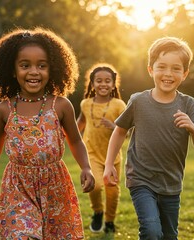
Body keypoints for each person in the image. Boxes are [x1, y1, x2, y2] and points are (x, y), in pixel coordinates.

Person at [0, 27, 95, 239]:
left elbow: (76, 141)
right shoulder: (5, 110)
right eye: (25, 65)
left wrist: (86, 167)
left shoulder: (60, 106)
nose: (34, 71)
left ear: (53, 69)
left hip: (55, 186)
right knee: (21, 235)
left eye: (42, 66)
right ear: (13, 70)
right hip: (18, 185)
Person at [103, 36, 194, 239]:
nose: (168, 74)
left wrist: (192, 128)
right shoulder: (138, 101)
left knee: (169, 235)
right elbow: (119, 131)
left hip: (171, 182)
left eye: (176, 69)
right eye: (162, 67)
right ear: (151, 69)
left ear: (184, 74)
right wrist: (109, 165)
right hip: (140, 178)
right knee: (151, 231)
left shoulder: (189, 104)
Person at [77, 63, 126, 233]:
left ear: (113, 84)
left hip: (113, 157)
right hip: (90, 152)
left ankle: (110, 221)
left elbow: (126, 131)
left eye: (107, 81)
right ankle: (97, 211)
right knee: (95, 186)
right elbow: (81, 122)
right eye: (98, 81)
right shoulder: (85, 103)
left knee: (112, 190)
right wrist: (69, 136)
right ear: (92, 83)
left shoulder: (119, 105)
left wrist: (114, 126)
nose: (103, 84)